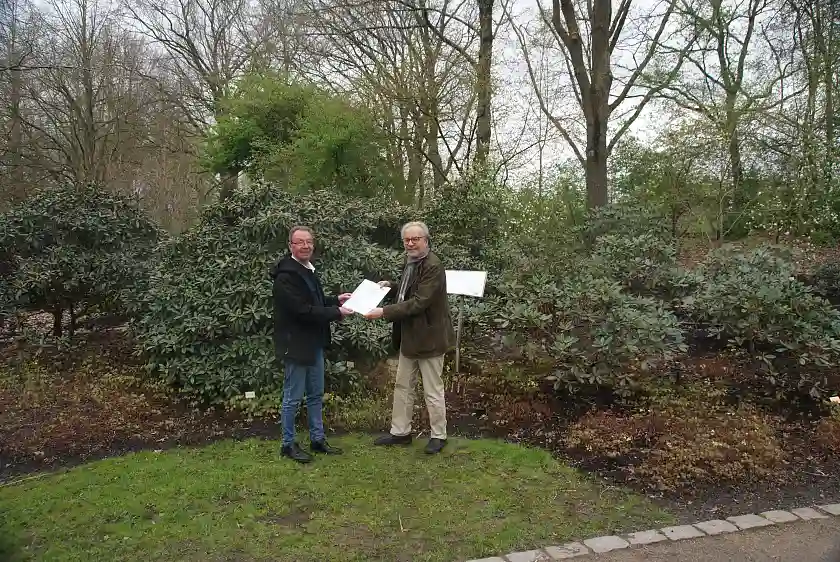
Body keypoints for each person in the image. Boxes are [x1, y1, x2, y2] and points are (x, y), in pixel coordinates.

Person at [364, 221, 455, 454]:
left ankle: (439, 435)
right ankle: (400, 432)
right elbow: (408, 292)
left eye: (415, 239)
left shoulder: (433, 266)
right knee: (403, 386)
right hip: (409, 338)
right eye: (407, 240)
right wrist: (391, 287)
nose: (411, 243)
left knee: (432, 389)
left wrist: (383, 311)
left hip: (430, 339)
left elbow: (420, 302)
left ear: (426, 240)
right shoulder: (411, 261)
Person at [271, 225, 353, 463]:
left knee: (316, 395)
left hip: (314, 342)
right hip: (295, 344)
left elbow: (314, 301)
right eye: (300, 242)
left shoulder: (307, 270)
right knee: (292, 398)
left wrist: (335, 300)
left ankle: (317, 440)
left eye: (309, 241)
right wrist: (336, 312)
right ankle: (288, 444)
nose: (305, 246)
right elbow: (302, 310)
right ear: (291, 246)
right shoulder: (285, 277)